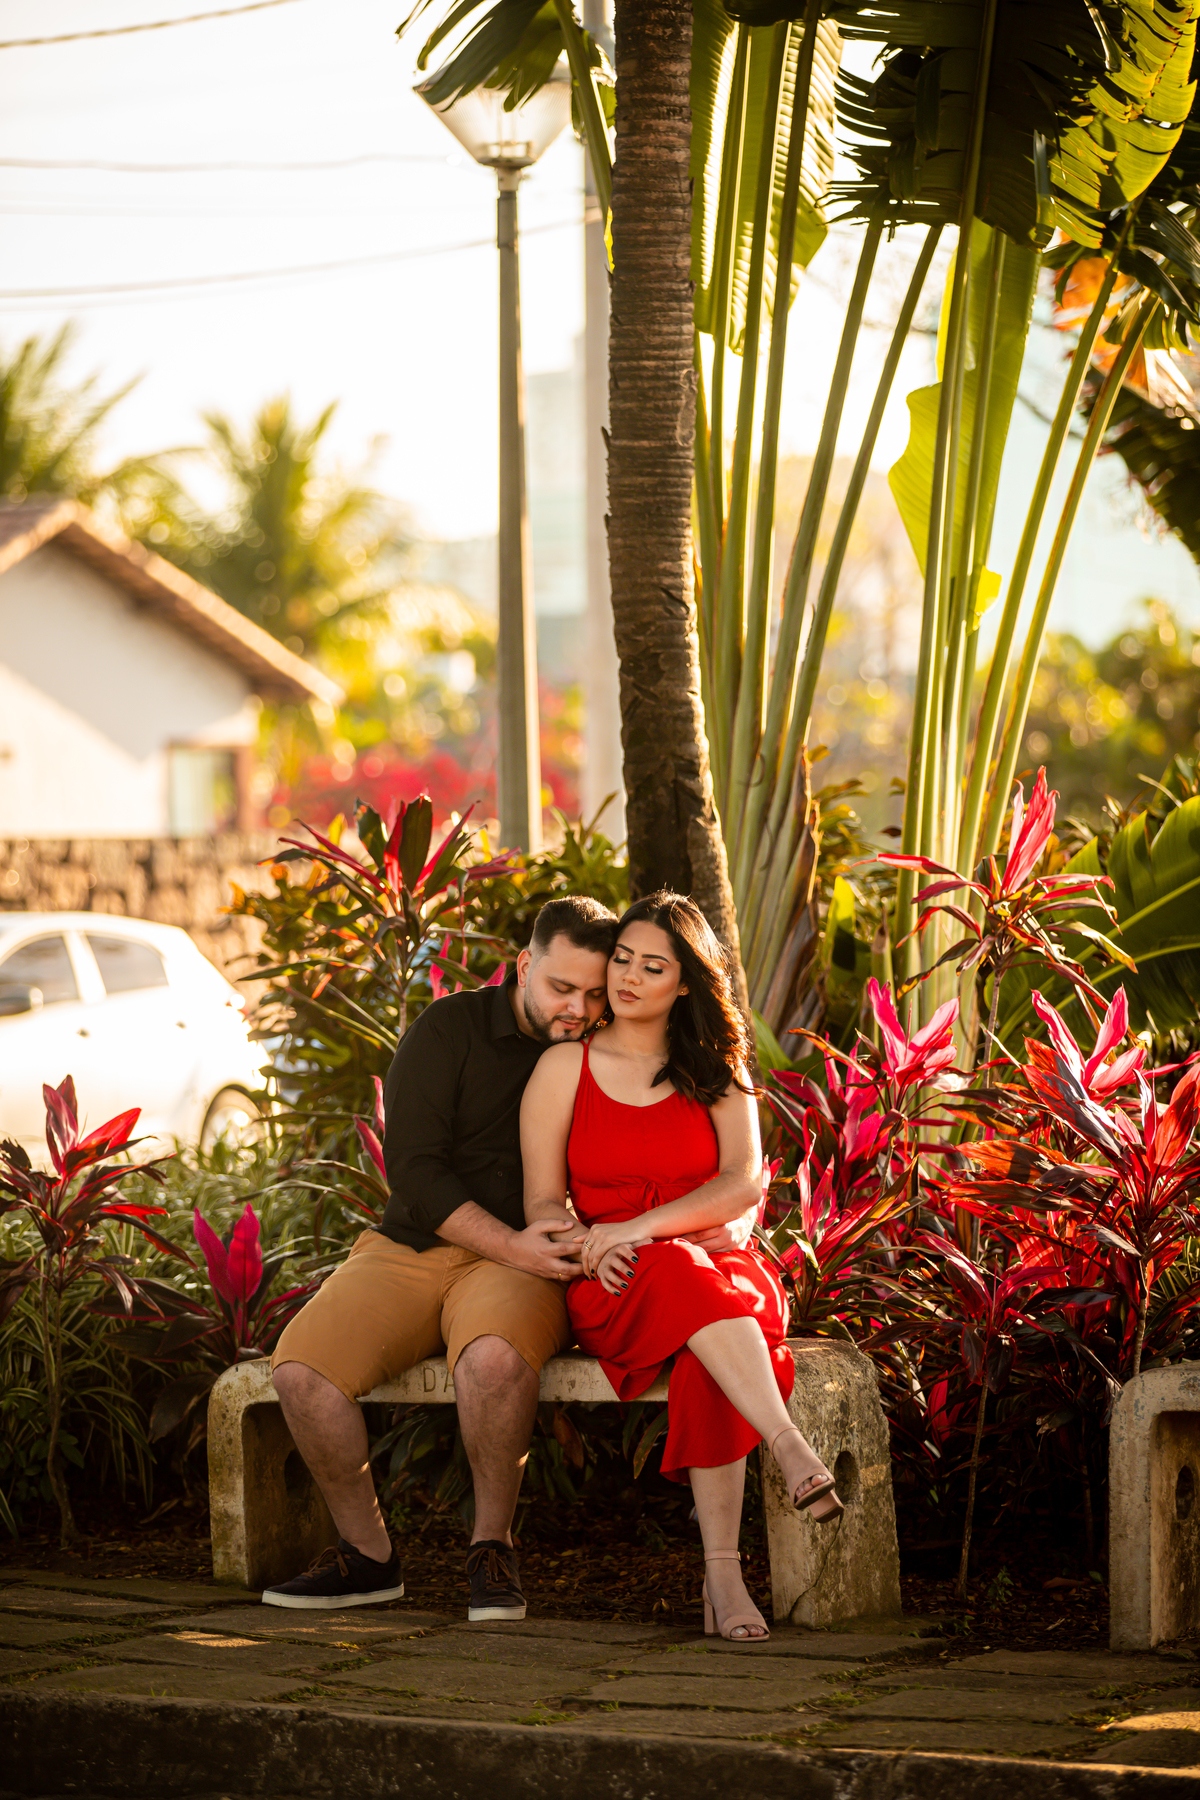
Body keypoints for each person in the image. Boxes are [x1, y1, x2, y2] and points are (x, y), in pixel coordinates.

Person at [263, 895, 616, 1618]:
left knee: (491, 1362)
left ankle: (492, 1550)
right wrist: (509, 1239)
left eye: (595, 993)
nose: (577, 1008)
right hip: (417, 1244)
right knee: (302, 1374)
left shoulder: (609, 1050)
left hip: (525, 1263)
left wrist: (538, 1246)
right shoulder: (447, 1029)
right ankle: (369, 1559)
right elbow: (416, 1175)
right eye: (561, 987)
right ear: (524, 966)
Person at [521, 891, 843, 1644]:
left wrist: (643, 1225)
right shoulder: (565, 1067)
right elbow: (540, 1201)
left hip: (721, 1270)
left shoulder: (718, 1070)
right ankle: (788, 1446)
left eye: (652, 966)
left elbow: (742, 1181)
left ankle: (723, 1575)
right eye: (623, 959)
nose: (629, 977)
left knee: (705, 1352)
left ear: (688, 982)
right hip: (615, 1281)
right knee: (673, 1273)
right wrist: (589, 1243)